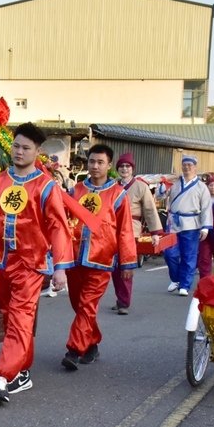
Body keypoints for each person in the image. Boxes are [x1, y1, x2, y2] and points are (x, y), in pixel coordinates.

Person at [0, 123, 74, 403]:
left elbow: (58, 227)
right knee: (11, 317)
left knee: (19, 319)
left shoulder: (46, 187)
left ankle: (2, 377)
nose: (19, 152)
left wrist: (61, 267)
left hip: (31, 264)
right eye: (16, 146)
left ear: (37, 152)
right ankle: (23, 372)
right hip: (1, 263)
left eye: (26, 148)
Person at [62, 144, 137, 370]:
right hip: (75, 258)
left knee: (87, 304)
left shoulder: (117, 195)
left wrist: (127, 262)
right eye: (92, 162)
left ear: (109, 165)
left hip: (101, 260)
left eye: (100, 162)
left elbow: (125, 231)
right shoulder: (76, 191)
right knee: (79, 304)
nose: (95, 166)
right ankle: (92, 343)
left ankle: (74, 350)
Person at [110, 152, 162, 314]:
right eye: (122, 166)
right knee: (114, 268)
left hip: (131, 229)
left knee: (126, 266)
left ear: (132, 169)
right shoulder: (112, 185)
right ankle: (120, 299)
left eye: (127, 166)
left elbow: (150, 210)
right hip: (112, 229)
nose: (124, 169)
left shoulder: (141, 186)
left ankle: (124, 303)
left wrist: (155, 232)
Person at [162, 155, 212, 296]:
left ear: (195, 167)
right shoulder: (175, 184)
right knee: (169, 253)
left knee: (188, 256)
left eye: (190, 165)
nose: (187, 167)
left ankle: (185, 284)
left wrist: (205, 227)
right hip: (174, 223)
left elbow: (206, 208)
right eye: (184, 165)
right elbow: (161, 196)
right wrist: (161, 188)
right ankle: (176, 278)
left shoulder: (202, 187)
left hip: (192, 224)